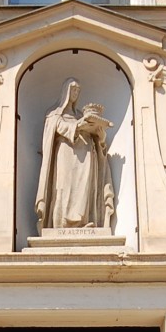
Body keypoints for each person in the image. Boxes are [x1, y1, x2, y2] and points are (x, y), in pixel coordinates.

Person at [35, 80, 114, 229]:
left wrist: (101, 137)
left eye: (78, 91)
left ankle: (83, 222)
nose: (76, 93)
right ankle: (61, 223)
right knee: (63, 187)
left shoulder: (80, 115)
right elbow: (60, 127)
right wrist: (77, 126)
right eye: (73, 90)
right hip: (65, 153)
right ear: (66, 91)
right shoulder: (54, 114)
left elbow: (98, 144)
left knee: (83, 187)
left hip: (86, 156)